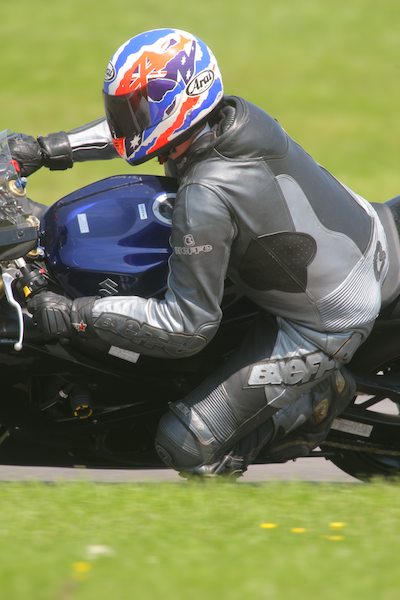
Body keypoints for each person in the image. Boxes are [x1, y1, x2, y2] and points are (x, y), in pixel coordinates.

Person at [9, 28, 388, 477]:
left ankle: (319, 396)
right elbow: (131, 135)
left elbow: (187, 326)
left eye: (134, 108)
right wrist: (47, 150)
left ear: (178, 102)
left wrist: (76, 313)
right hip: (354, 237)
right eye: (122, 108)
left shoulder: (206, 195)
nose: (124, 120)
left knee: (186, 445)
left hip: (327, 319)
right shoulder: (231, 116)